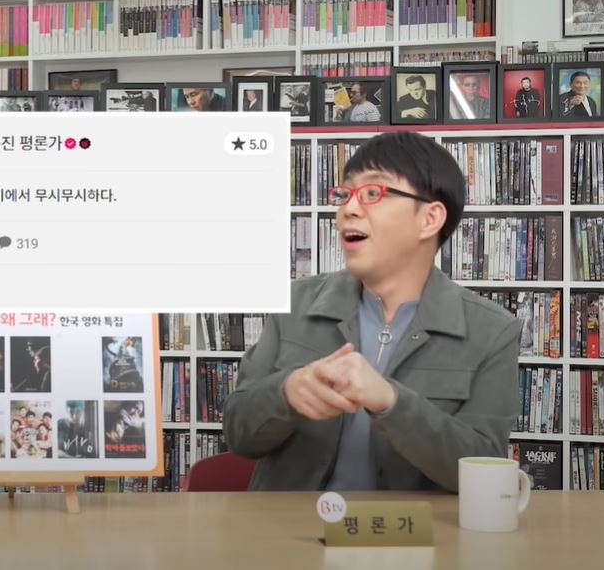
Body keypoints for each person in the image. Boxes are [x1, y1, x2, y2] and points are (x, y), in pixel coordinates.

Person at [223, 131, 520, 492]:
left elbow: (483, 470)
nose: (348, 209)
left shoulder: (493, 332)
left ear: (429, 219)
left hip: (413, 528)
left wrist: (391, 403)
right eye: (344, 194)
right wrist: (285, 393)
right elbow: (237, 433)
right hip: (295, 525)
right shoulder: (293, 303)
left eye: (372, 193)